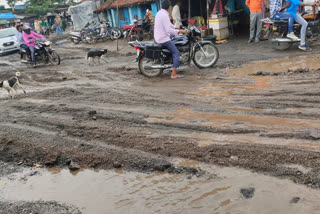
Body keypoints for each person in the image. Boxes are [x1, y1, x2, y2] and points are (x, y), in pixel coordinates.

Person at [154, 0, 186, 79]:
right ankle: (173, 74)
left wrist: (176, 27)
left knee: (174, 41)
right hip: (163, 39)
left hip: (158, 37)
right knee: (176, 52)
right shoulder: (164, 15)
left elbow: (168, 25)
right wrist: (180, 31)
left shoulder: (159, 13)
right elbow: (168, 30)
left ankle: (171, 61)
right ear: (169, 7)